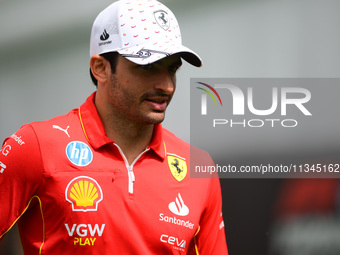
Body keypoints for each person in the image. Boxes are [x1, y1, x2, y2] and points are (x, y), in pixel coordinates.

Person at [0, 0, 228, 254]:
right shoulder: (35, 146)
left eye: (172, 69)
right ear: (101, 68)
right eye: (148, 66)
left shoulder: (199, 166)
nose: (167, 86)